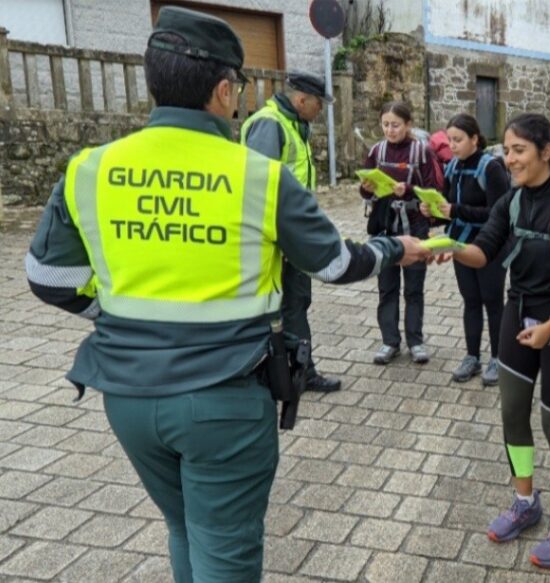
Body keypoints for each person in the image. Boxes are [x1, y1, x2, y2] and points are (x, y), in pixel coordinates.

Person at [23, 8, 429, 581]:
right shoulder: (257, 176)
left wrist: (112, 314)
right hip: (224, 398)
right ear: (222, 90)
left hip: (127, 395)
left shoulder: (90, 169)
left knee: (184, 528)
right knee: (224, 549)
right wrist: (394, 249)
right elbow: (335, 263)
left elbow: (47, 276)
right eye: (236, 87)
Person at [434, 113, 550, 568]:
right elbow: (484, 249)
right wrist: (450, 248)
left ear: (545, 152)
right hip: (517, 312)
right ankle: (525, 502)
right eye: (506, 150)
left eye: (519, 150)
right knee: (512, 413)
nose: (509, 159)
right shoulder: (510, 201)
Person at [241, 70, 341, 393]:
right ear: (301, 100)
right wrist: (280, 238)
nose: (320, 110)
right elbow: (259, 187)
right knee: (287, 305)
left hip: (292, 234)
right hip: (279, 238)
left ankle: (294, 372)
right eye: (318, 104)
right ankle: (293, 375)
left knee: (296, 301)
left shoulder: (293, 125)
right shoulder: (270, 125)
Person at [420, 114, 510, 385]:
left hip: (490, 246)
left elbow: (498, 213)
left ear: (474, 139)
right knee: (471, 301)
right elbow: (449, 209)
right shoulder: (452, 167)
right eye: (449, 140)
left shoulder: (491, 168)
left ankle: (499, 359)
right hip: (460, 245)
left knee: (493, 302)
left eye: (458, 140)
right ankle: (472, 357)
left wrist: (455, 210)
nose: (452, 145)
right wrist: (433, 212)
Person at [360, 102, 441, 365]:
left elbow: (433, 190)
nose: (390, 130)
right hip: (385, 227)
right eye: (385, 124)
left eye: (395, 125)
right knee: (387, 287)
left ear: (408, 125)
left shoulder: (422, 151)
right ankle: (390, 342)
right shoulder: (376, 151)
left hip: (415, 226)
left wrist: (407, 190)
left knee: (414, 288)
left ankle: (415, 342)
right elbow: (366, 192)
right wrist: (366, 188)